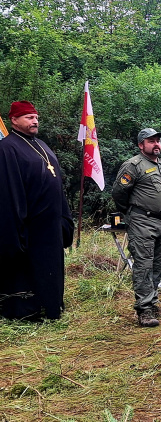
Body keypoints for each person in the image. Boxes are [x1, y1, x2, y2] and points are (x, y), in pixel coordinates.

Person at [0, 101, 73, 321]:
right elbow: (9, 190)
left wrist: (62, 218)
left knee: (49, 268)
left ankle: (51, 306)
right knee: (29, 271)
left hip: (50, 226)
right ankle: (28, 311)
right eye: (29, 117)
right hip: (30, 227)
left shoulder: (42, 145)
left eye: (36, 117)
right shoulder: (7, 148)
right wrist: (16, 230)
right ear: (14, 120)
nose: (35, 121)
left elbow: (54, 181)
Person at [112, 128, 161, 327]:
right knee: (143, 265)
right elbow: (119, 193)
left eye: (158, 141)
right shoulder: (133, 165)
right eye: (151, 141)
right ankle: (144, 310)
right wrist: (131, 214)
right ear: (141, 145)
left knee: (158, 264)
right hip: (142, 222)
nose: (156, 144)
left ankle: (152, 301)